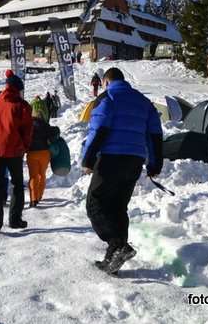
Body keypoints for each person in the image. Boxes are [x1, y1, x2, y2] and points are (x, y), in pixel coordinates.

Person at [81, 68, 163, 275]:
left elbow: (98, 130)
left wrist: (88, 159)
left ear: (106, 81)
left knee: (95, 205)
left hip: (110, 159)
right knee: (118, 208)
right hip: (134, 160)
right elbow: (154, 135)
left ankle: (119, 245)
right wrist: (154, 164)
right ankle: (113, 260)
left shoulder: (107, 97)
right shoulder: (143, 102)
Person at [0, 70, 33, 232]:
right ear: (18, 89)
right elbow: (27, 130)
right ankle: (15, 220)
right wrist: (24, 146)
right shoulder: (22, 106)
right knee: (17, 185)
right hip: (15, 151)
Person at [28, 107, 59, 207]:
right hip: (44, 153)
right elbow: (55, 131)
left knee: (33, 176)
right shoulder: (44, 124)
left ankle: (33, 199)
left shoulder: (28, 125)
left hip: (32, 153)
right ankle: (40, 195)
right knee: (42, 174)